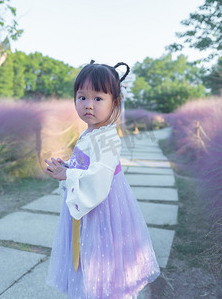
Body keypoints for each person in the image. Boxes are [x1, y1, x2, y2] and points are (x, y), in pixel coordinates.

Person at [44, 60, 160, 298]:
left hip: (103, 208)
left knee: (101, 257)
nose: (88, 105)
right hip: (89, 209)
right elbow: (87, 165)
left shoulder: (108, 137)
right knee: (86, 255)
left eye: (98, 98)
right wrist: (68, 166)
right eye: (82, 97)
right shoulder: (90, 132)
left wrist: (69, 175)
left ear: (114, 101)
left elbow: (99, 176)